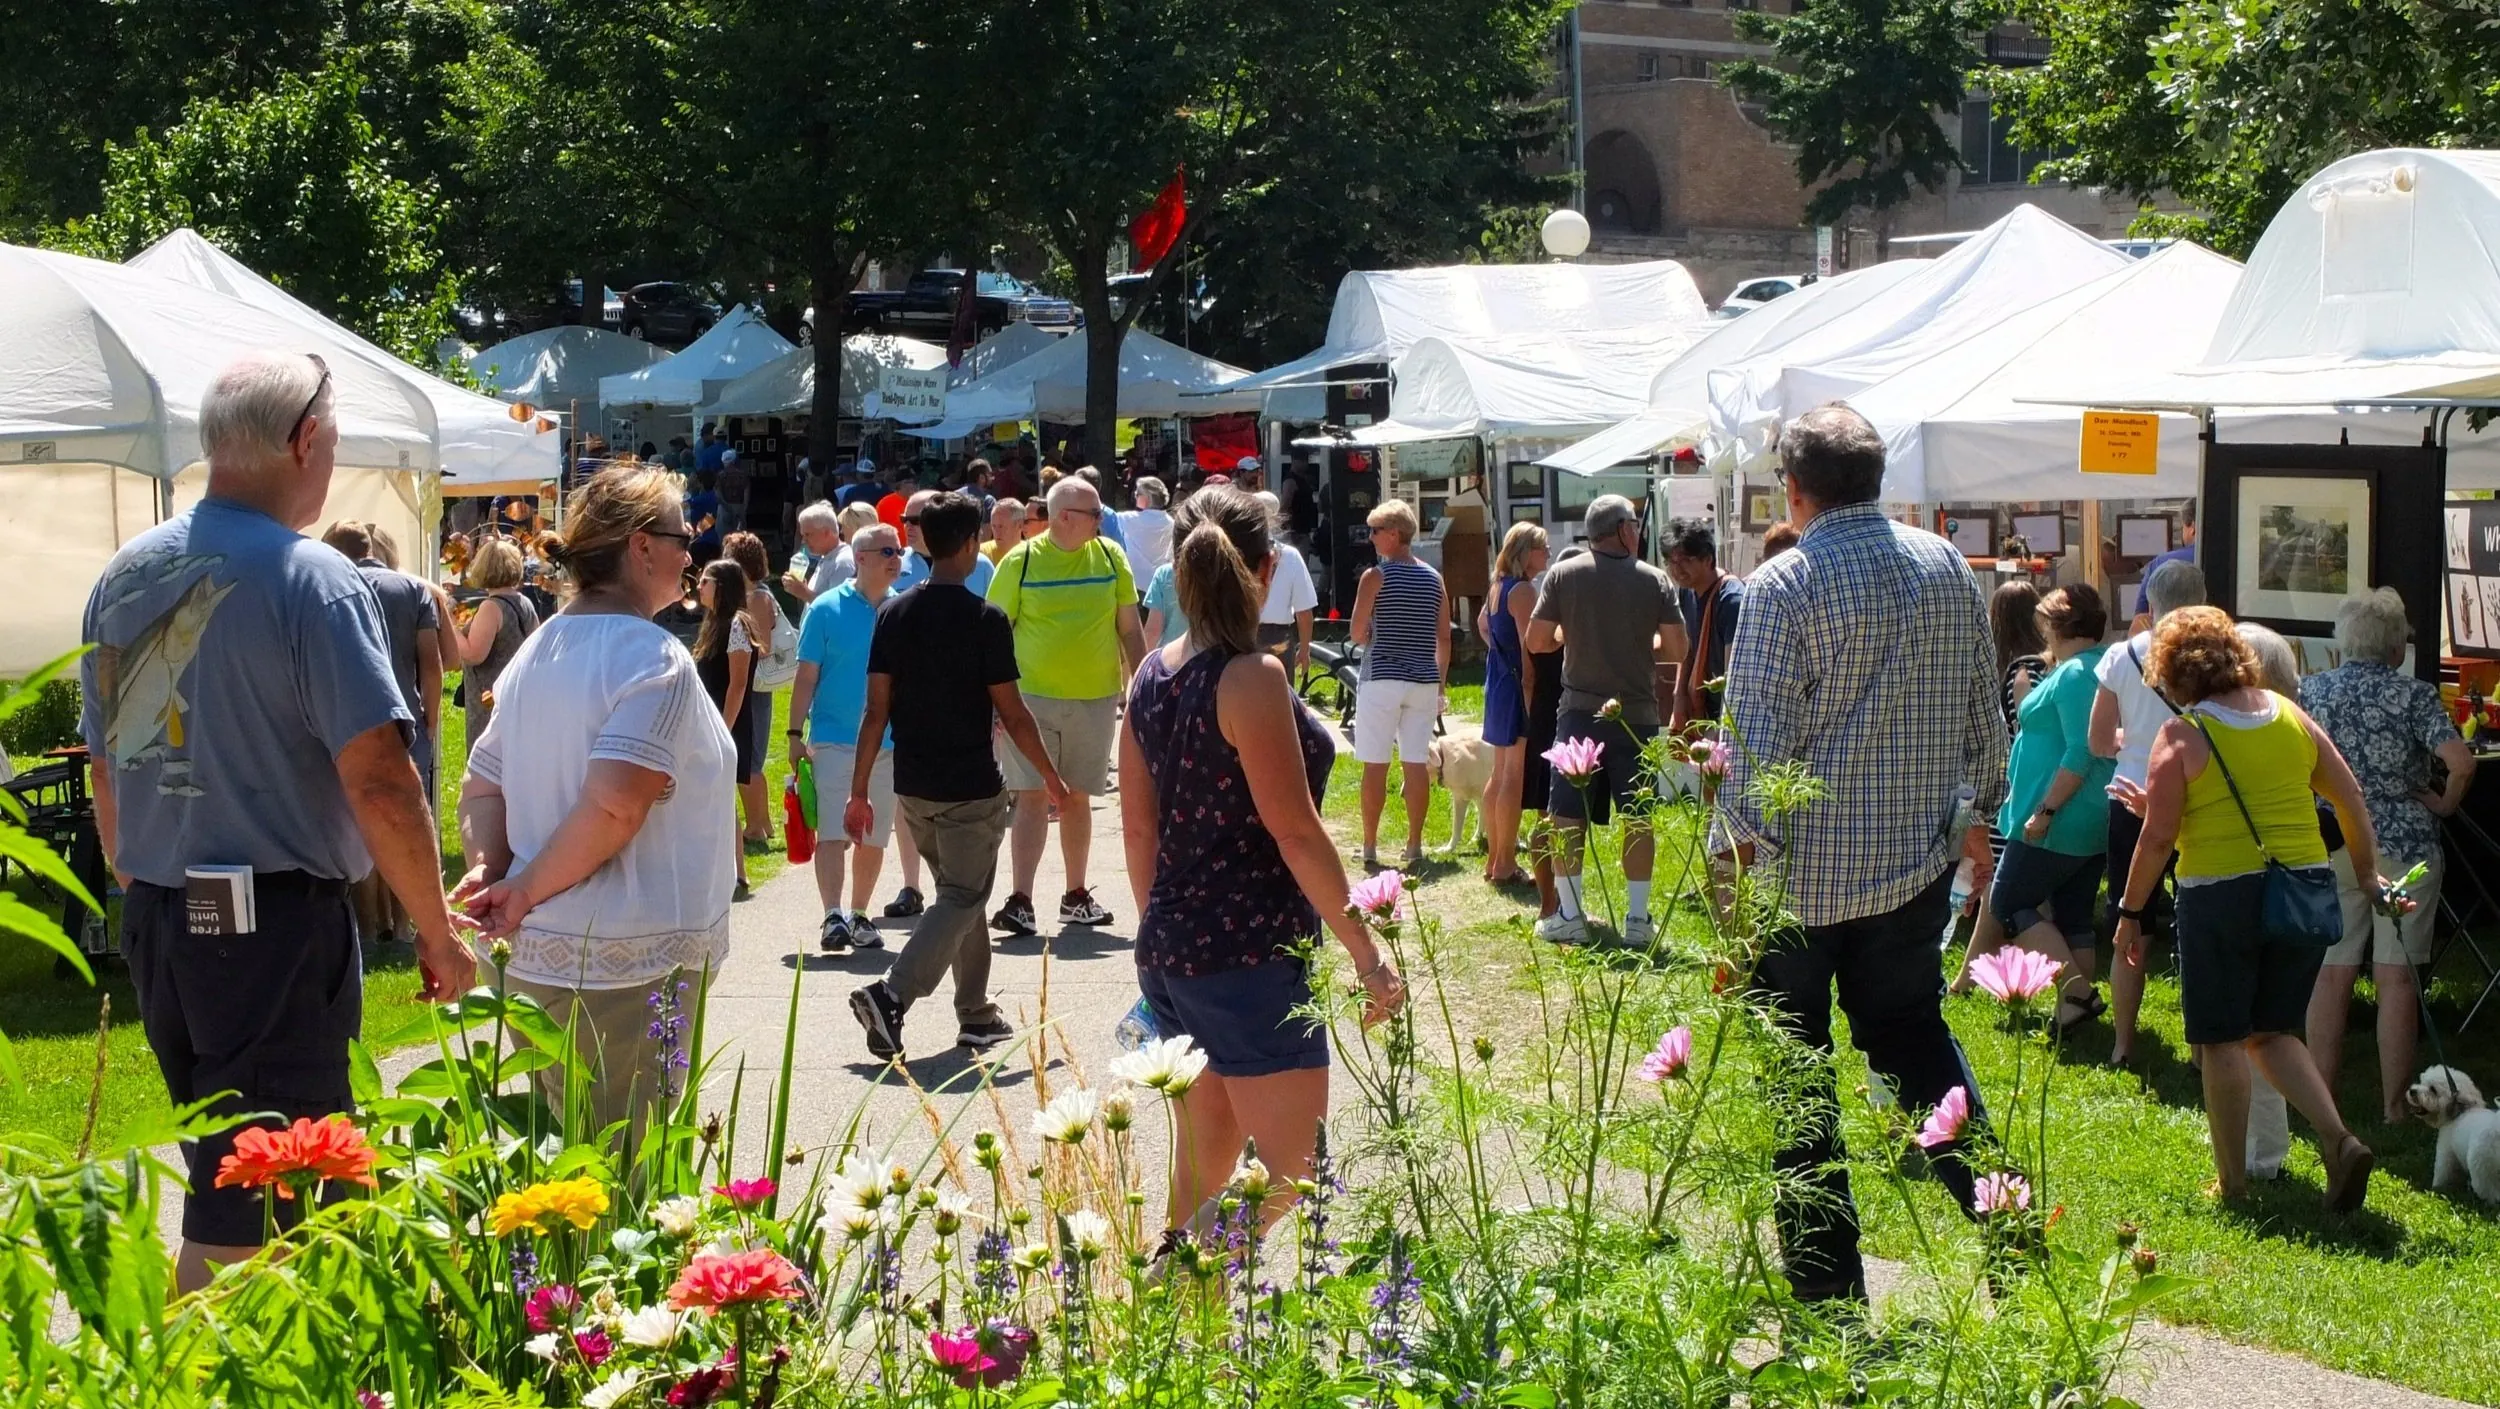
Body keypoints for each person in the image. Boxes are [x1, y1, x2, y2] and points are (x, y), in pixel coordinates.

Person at [81, 351, 475, 1293]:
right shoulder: (314, 580)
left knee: (259, 1181)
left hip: (165, 921)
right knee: (259, 1197)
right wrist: (436, 929)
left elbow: (105, 761)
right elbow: (381, 780)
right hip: (265, 927)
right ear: (305, 440)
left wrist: (140, 878)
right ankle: (193, 1383)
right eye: (332, 439)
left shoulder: (125, 572)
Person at [1718, 404, 2005, 1303]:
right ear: (1877, 481)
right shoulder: (1948, 566)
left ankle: (1828, 1302)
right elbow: (1986, 731)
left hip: (1798, 887)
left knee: (1801, 1092)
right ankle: (2013, 1226)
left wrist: (1732, 883)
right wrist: (1972, 815)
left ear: (1793, 491)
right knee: (1918, 1051)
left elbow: (1752, 761)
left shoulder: (1783, 585)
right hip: (1911, 874)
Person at [1120, 485, 1406, 1232]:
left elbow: (1138, 835)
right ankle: (1191, 1300)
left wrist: (1163, 934)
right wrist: (1367, 954)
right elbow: (1297, 831)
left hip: (1177, 948)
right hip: (1249, 952)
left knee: (1203, 1162)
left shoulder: (1150, 674)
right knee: (1294, 1170)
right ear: (1269, 566)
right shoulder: (1251, 675)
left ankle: (1168, 1330)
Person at [454, 466, 731, 1134]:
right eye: (677, 535)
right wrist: (514, 888)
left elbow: (480, 783)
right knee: (627, 1187)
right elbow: (615, 806)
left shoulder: (540, 648)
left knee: (570, 1174)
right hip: (622, 965)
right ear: (640, 546)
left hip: (542, 956)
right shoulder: (652, 657)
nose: (688, 553)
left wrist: (497, 872)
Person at [2108, 606, 2384, 1208]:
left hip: (2221, 894)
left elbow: (2159, 837)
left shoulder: (2182, 734)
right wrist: (2367, 875)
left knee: (2222, 1039)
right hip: (2304, 888)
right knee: (2273, 1031)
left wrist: (2129, 913)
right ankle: (2339, 1141)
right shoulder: (2291, 716)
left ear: (2173, 674)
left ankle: (2233, 1184)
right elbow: (2349, 796)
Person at [846, 493, 1069, 1059]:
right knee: (965, 897)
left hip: (913, 787)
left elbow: (875, 711)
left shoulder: (892, 614)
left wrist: (857, 791)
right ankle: (892, 995)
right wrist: (1051, 776)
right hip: (970, 787)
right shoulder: (985, 619)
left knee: (958, 901)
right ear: (971, 544)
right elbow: (1013, 714)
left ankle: (976, 1015)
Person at [2301, 588, 2473, 1123]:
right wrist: (2443, 804)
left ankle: (2320, 1098)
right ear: (2397, 648)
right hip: (2405, 852)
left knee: (2333, 973)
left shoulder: (2311, 692)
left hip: (2333, 846)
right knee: (2396, 977)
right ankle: (2395, 1107)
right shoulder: (2415, 696)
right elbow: (2462, 762)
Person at [986, 476, 1148, 933]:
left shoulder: (1111, 557)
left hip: (1095, 698)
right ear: (1061, 518)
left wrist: (1142, 686)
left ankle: (1075, 895)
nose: (1102, 519)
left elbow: (1130, 629)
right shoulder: (1019, 563)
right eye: (1094, 513)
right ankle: (1020, 900)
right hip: (1028, 702)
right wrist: (994, 704)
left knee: (1078, 795)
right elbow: (993, 636)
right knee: (1032, 797)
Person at [1525, 495, 1684, 944]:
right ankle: (1637, 920)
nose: (1639, 531)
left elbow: (1537, 641)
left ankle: (1570, 915)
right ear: (1622, 531)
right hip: (1637, 717)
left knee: (1567, 818)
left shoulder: (1563, 574)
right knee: (1638, 817)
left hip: (1578, 713)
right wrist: (1643, 641)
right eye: (1634, 524)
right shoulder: (1655, 580)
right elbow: (1676, 650)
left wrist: (1568, 632)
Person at [1970, 585, 2114, 1025]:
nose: (2043, 634)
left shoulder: (2075, 674)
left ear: (2060, 625)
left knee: (2009, 902)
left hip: (2060, 816)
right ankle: (2070, 1009)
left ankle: (2079, 993)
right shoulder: (2095, 666)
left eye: (2047, 624)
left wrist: (2046, 809)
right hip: (2088, 816)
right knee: (2073, 912)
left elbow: (2080, 751)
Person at [2089, 558, 2206, 1064]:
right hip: (2198, 800)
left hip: (2132, 794)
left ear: (2150, 605)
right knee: (2199, 921)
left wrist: (2130, 743)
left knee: (2129, 918)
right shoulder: (2214, 658)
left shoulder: (2122, 655)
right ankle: (2205, 1047)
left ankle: (2123, 1044)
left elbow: (2097, 740)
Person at [323, 519, 443, 945]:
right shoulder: (412, 589)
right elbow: (431, 662)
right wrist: (430, 718)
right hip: (408, 723)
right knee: (411, 824)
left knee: (362, 827)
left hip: (350, 724)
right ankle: (406, 925)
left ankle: (371, 928)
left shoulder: (331, 589)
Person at [791, 522, 906, 953]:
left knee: (874, 837)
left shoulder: (902, 609)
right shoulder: (824, 608)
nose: (896, 559)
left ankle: (860, 914)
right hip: (835, 739)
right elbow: (805, 678)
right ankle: (832, 914)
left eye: (898, 552)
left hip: (890, 744)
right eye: (887, 552)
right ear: (860, 559)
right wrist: (793, 732)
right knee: (835, 834)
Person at [1946, 580, 2052, 991]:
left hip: (1999, 775)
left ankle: (1977, 945)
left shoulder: (1999, 666)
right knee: (2007, 867)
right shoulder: (2039, 665)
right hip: (2025, 778)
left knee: (1994, 867)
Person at [1350, 499, 1448, 872]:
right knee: (1415, 764)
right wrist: (1441, 684)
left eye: (1375, 530)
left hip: (1382, 678)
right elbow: (1445, 637)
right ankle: (1414, 844)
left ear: (1394, 534)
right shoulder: (1433, 578)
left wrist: (1370, 631)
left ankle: (1371, 844)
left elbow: (1358, 632)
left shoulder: (1376, 576)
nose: (1371, 537)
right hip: (1422, 680)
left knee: (1375, 764)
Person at [1476, 523, 1548, 885]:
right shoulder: (1523, 590)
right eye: (1542, 548)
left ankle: (1494, 859)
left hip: (1498, 682)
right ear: (1525, 551)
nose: (1547, 554)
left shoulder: (1497, 586)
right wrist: (1531, 688)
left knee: (1500, 772)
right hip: (1517, 685)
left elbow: (1483, 626)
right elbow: (1530, 646)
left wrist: (1497, 654)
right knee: (1513, 777)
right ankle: (1505, 862)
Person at [691, 558, 759, 898]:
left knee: (721, 797)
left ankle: (738, 874)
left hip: (726, 723)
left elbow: (738, 684)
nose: (699, 586)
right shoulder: (714, 623)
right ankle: (729, 872)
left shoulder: (737, 625)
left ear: (723, 586)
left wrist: (724, 730)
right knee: (718, 799)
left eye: (706, 581)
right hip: (711, 723)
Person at [722, 532, 791, 850]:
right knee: (750, 759)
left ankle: (757, 825)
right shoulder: (749, 595)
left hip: (754, 687)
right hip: (749, 686)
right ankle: (762, 824)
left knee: (750, 760)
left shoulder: (758, 598)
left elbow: (760, 647)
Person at [458, 535, 540, 742]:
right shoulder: (525, 603)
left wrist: (451, 629)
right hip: (518, 697)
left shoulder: (491, 607)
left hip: (489, 701)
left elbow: (474, 654)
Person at [1663, 517, 1742, 731]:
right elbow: (1687, 649)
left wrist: (1723, 730)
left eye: (1685, 560)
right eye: (1670, 561)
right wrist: (1679, 698)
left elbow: (1734, 675)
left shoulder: (1732, 599)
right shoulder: (1686, 590)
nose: (1676, 570)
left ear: (1707, 559)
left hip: (1726, 715)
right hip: (1700, 711)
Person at [1254, 491, 1318, 679]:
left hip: (1243, 635)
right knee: (1281, 699)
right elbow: (1304, 611)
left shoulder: (1237, 551)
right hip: (1279, 638)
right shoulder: (1290, 555)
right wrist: (1304, 649)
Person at [897, 488, 999, 596]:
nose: (908, 526)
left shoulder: (982, 565)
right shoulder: (894, 563)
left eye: (915, 521)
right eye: (904, 519)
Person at [2131, 500, 2198, 631]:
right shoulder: (2241, 563)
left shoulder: (2161, 564)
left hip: (2168, 643)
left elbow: (2141, 620)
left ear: (2193, 527)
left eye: (2182, 527)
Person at [785, 500, 847, 605]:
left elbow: (838, 609)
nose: (803, 541)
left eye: (808, 535)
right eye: (802, 535)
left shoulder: (842, 563)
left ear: (826, 533)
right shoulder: (827, 556)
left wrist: (805, 593)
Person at [1117, 476, 1174, 582]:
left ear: (1147, 498)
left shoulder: (1128, 519)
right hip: (1161, 581)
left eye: (1138, 493)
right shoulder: (1171, 523)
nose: (1135, 496)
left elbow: (1107, 516)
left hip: (1135, 583)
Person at [1141, 560, 1189, 646]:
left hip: (1171, 654)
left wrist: (1143, 659)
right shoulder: (1218, 573)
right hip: (1213, 654)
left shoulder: (1164, 573)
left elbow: (1153, 632)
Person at [685, 471, 723, 564]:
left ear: (701, 484)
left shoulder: (700, 499)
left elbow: (684, 503)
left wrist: (689, 485)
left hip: (701, 541)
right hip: (715, 540)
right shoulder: (716, 496)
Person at [716, 449, 749, 534]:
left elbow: (718, 494)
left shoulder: (720, 475)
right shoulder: (743, 475)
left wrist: (726, 506)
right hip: (739, 506)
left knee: (724, 538)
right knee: (740, 538)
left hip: (724, 508)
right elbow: (747, 492)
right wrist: (744, 508)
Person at [984, 499, 1027, 564]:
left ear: (1019, 525)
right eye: (993, 526)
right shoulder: (982, 554)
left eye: (1001, 526)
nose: (996, 532)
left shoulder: (1031, 554)